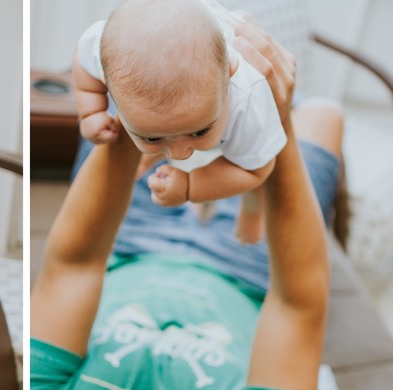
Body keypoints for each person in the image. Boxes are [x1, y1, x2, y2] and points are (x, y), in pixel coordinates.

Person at [32, 17, 337, 390]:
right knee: (325, 116)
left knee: (150, 73)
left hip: (126, 238)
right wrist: (275, 118)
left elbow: (76, 263)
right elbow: (296, 304)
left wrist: (138, 119)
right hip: (249, 264)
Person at [73, 0, 286, 244]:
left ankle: (252, 212)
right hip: (178, 45)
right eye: (152, 137)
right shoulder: (101, 47)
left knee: (253, 159)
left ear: (228, 74)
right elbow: (81, 59)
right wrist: (91, 112)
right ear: (106, 80)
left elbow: (255, 170)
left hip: (242, 83)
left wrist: (190, 186)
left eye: (199, 132)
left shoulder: (248, 96)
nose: (180, 154)